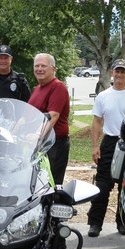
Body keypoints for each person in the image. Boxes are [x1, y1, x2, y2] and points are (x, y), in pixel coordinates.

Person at [87, 59, 125, 237]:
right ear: (112, 73)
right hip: (109, 143)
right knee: (102, 185)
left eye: (123, 72)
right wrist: (95, 146)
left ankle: (122, 223)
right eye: (117, 71)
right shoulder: (103, 96)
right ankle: (95, 223)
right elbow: (97, 122)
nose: (119, 74)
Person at [27, 53, 70, 185]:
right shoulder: (37, 89)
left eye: (43, 66)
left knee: (50, 184)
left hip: (53, 145)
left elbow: (53, 116)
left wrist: (37, 136)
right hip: (38, 145)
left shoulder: (58, 87)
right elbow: (27, 115)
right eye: (37, 66)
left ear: (53, 68)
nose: (39, 69)